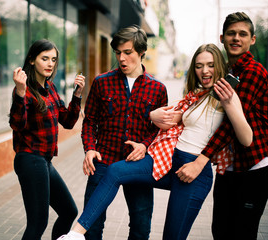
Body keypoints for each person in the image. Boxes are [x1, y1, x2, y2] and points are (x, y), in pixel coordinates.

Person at [58, 43, 253, 240]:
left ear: (219, 66)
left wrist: (229, 104)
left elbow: (246, 138)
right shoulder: (197, 95)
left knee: (171, 235)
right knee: (115, 171)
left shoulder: (228, 97)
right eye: (199, 65)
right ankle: (75, 234)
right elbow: (169, 119)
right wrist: (150, 121)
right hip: (170, 162)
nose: (204, 71)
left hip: (193, 172)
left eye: (210, 65)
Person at [78, 25, 169, 240]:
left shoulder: (158, 89)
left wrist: (145, 145)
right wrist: (90, 148)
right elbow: (90, 121)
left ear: (141, 53)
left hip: (136, 164)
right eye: (118, 53)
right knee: (91, 225)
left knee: (140, 226)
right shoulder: (102, 82)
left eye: (128, 52)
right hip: (103, 159)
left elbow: (161, 130)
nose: (122, 58)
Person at [197, 12, 268, 240]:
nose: (236, 38)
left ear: (252, 40)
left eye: (242, 34)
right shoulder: (225, 71)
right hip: (228, 167)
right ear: (222, 37)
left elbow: (231, 123)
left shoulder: (254, 72)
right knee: (220, 230)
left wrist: (202, 159)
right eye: (231, 33)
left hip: (253, 166)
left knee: (243, 233)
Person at [9, 39, 85, 240]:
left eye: (53, 59)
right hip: (30, 159)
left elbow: (68, 121)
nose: (50, 63)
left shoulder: (50, 88)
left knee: (69, 211)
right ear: (32, 60)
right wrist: (19, 91)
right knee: (38, 223)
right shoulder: (24, 91)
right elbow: (17, 124)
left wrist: (77, 94)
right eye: (45, 58)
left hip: (44, 160)